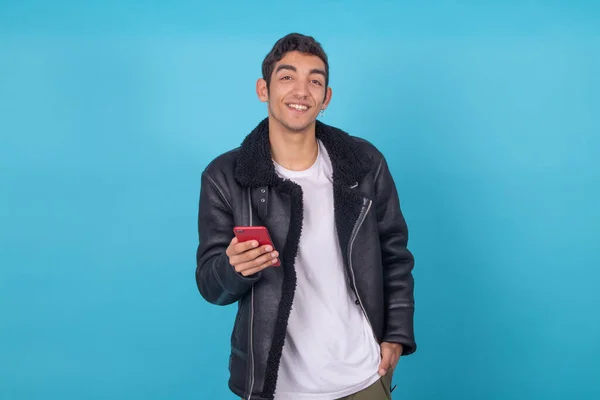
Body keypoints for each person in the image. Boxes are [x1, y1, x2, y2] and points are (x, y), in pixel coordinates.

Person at [195, 32, 416, 400]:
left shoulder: (364, 164)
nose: (302, 90)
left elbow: (395, 254)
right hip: (276, 387)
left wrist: (396, 335)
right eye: (287, 77)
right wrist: (232, 268)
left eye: (315, 80)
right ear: (262, 90)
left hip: (363, 377)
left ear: (326, 98)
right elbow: (209, 285)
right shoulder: (224, 176)